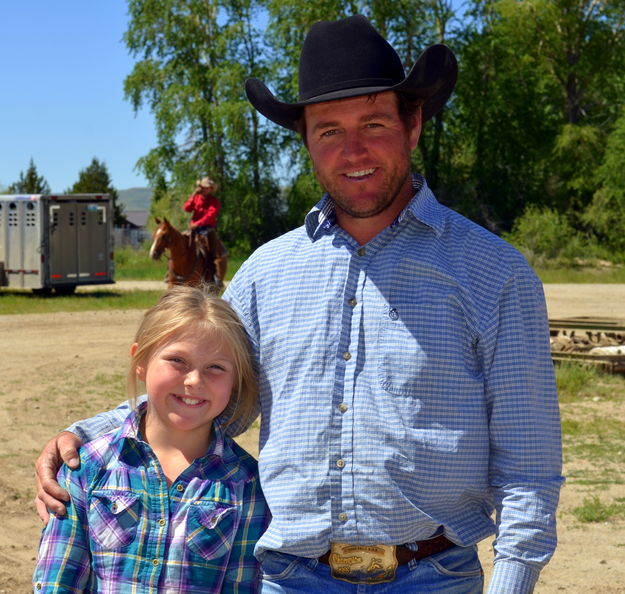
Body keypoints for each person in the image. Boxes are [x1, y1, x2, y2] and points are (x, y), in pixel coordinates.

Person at [34, 15, 563, 593]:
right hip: (292, 578)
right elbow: (207, 392)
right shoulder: (266, 273)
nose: (352, 149)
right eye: (329, 130)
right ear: (306, 141)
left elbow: (529, 468)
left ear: (412, 126)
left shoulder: (496, 274)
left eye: (374, 123)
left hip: (432, 575)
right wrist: (86, 436)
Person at [33, 285, 270, 593]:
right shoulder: (87, 467)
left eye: (216, 368)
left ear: (235, 380)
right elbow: (57, 581)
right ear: (140, 362)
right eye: (177, 361)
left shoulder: (248, 486)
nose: (194, 380)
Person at [184, 177, 227, 287]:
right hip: (193, 230)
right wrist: (193, 194)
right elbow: (187, 208)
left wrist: (197, 223)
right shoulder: (196, 198)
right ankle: (173, 272)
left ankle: (215, 276)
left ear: (211, 189)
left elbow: (210, 215)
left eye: (208, 187)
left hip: (207, 230)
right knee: (179, 244)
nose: (205, 189)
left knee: (214, 252)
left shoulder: (214, 201)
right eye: (203, 187)